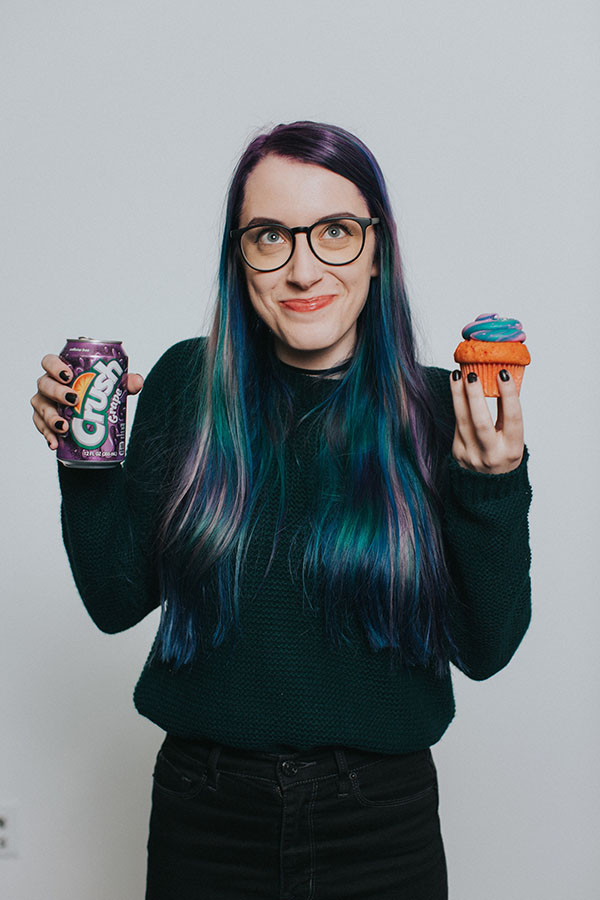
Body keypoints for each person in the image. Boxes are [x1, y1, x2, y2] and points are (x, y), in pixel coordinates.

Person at [31, 121, 532, 900]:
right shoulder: (187, 385)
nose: (302, 269)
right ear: (240, 258)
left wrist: (492, 486)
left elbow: (487, 649)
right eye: (270, 236)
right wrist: (83, 460)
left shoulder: (444, 408)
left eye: (334, 231)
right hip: (205, 821)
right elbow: (113, 602)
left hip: (382, 827)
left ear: (377, 248)